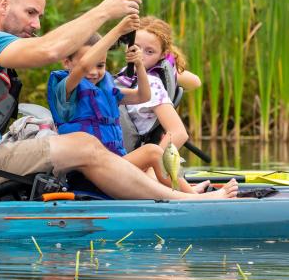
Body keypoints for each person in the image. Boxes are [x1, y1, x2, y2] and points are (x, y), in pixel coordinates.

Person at [0, 0, 237, 200]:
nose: (36, 25)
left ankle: (159, 187)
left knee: (77, 140)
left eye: (40, 16)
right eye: (31, 13)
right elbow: (49, 51)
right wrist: (106, 12)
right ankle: (186, 201)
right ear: (4, 5)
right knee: (83, 143)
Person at [46, 16, 209, 194]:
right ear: (67, 62)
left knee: (153, 151)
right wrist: (118, 30)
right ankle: (192, 197)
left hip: (112, 166)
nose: (93, 72)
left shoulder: (107, 91)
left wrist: (138, 64)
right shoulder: (65, 90)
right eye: (90, 65)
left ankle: (187, 193)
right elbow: (83, 67)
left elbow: (143, 95)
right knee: (153, 152)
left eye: (100, 65)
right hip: (87, 173)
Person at [117, 16, 200, 150]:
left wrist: (153, 164)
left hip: (133, 159)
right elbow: (195, 81)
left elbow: (178, 133)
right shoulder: (126, 76)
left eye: (149, 52)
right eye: (136, 48)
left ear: (163, 55)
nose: (140, 55)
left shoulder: (152, 83)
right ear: (127, 45)